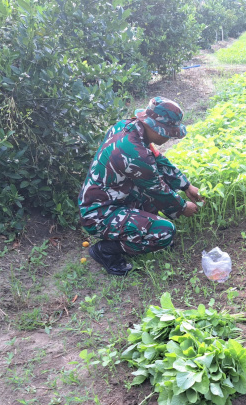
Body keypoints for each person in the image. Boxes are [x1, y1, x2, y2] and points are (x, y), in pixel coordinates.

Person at [78, 97, 203, 275]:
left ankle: (137, 230)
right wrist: (183, 207)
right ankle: (106, 250)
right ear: (155, 127)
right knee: (165, 232)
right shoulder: (136, 154)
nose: (168, 137)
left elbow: (159, 161)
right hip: (99, 214)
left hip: (114, 198)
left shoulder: (128, 127)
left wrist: (186, 186)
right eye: (168, 132)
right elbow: (158, 190)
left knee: (161, 192)